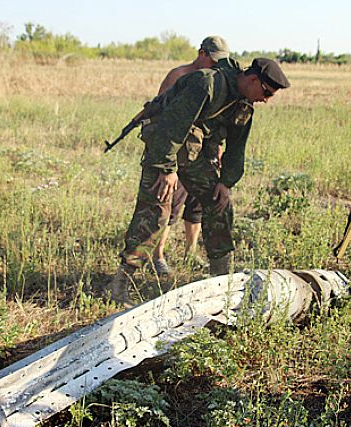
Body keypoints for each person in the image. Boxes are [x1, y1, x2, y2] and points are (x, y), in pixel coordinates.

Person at [109, 57, 290, 305]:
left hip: (192, 154)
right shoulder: (207, 84)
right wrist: (165, 170)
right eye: (266, 92)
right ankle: (121, 283)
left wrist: (225, 182)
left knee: (219, 203)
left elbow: (237, 149)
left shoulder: (244, 106)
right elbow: (171, 127)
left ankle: (221, 277)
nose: (266, 99)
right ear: (252, 79)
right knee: (156, 212)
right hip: (163, 148)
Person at [152, 36, 230, 276]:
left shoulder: (215, 79)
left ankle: (190, 252)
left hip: (203, 153)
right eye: (212, 60)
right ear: (201, 53)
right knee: (170, 205)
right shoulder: (179, 74)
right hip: (180, 152)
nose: (214, 65)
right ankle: (158, 256)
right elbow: (162, 111)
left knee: (196, 207)